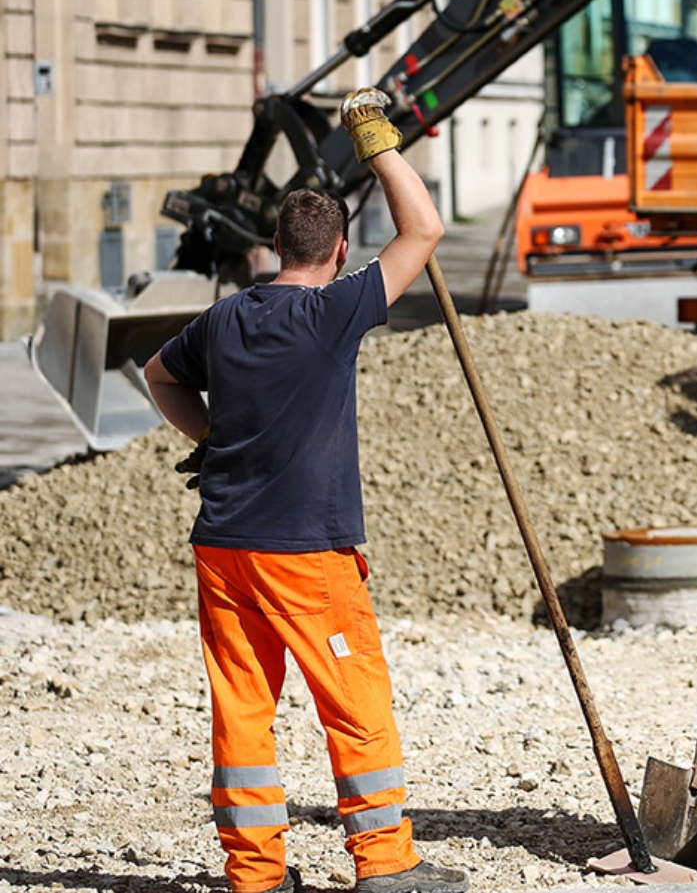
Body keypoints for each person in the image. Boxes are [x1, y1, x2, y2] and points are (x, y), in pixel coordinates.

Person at [144, 90, 466, 893]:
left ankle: (256, 873)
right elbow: (423, 229)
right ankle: (385, 864)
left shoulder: (224, 320)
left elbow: (158, 374)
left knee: (243, 706)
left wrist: (209, 435)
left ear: (274, 244)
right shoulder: (332, 312)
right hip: (305, 553)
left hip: (223, 548)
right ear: (338, 250)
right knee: (353, 698)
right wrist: (378, 142)